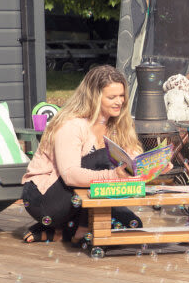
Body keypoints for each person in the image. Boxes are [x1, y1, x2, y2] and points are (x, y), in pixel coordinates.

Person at [20, 65, 145, 244]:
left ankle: (60, 233)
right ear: (94, 98)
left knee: (133, 226)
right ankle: (77, 229)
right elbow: (70, 175)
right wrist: (113, 175)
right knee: (104, 156)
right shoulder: (72, 125)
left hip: (79, 199)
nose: (119, 102)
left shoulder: (118, 124)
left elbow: (132, 160)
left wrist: (152, 166)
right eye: (112, 97)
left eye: (122, 96)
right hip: (45, 198)